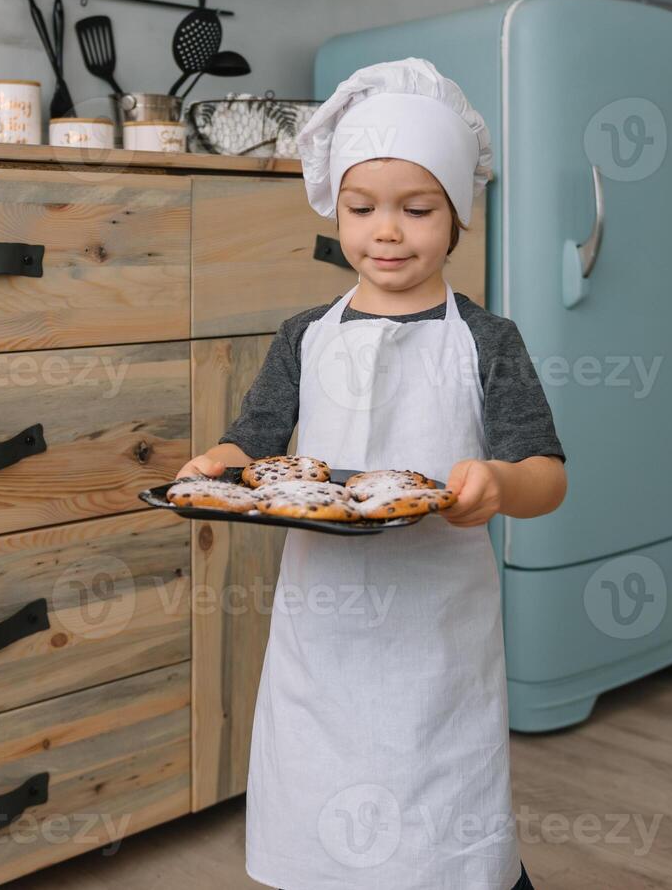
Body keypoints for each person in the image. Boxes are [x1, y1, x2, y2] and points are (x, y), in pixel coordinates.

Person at [174, 57, 567, 889]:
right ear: (336, 210)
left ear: (458, 216)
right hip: (323, 636)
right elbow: (256, 446)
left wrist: (499, 485)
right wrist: (216, 464)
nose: (386, 232)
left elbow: (546, 475)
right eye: (362, 208)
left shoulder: (488, 343)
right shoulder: (305, 336)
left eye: (417, 210)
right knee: (319, 815)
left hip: (436, 639)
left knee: (443, 827)